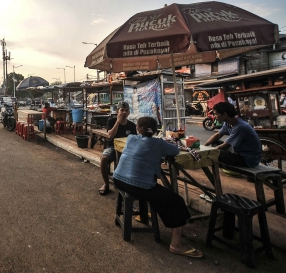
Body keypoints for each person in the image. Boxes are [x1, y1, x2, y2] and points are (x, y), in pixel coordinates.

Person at [113, 117, 203, 258]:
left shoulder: (131, 138)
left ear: (138, 129)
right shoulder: (159, 143)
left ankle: (144, 216)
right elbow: (175, 151)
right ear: (155, 130)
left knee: (154, 191)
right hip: (138, 186)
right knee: (177, 201)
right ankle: (176, 244)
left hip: (118, 179)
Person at [203, 102, 261, 168]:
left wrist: (208, 152)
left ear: (224, 114)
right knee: (215, 142)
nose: (214, 116)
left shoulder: (240, 127)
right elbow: (218, 135)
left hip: (248, 159)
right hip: (237, 151)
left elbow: (226, 145)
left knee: (215, 153)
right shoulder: (228, 122)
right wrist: (204, 146)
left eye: (216, 114)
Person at [98, 101, 136, 195]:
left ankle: (130, 185)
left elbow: (134, 140)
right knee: (104, 159)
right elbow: (110, 135)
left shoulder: (132, 125)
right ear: (117, 111)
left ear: (129, 113)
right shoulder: (111, 121)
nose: (124, 112)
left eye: (126, 110)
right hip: (112, 147)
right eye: (122, 110)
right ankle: (106, 184)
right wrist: (118, 122)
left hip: (127, 150)